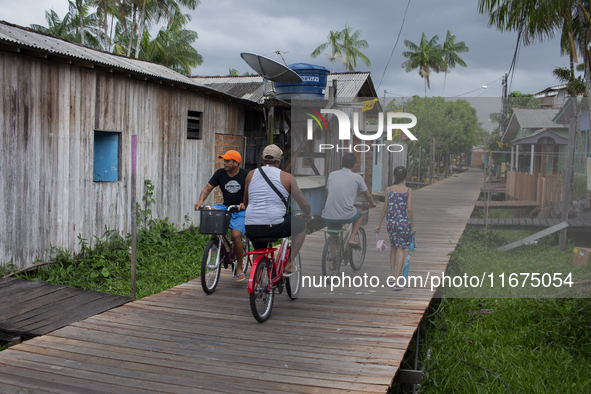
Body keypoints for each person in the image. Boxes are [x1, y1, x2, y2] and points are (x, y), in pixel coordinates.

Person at [243, 145, 312, 276]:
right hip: (274, 226)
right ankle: (289, 264)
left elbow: (246, 203)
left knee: (258, 248)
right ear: (279, 160)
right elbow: (303, 203)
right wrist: (308, 213)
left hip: (251, 226)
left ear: (262, 158)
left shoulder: (250, 175)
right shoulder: (287, 177)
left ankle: (258, 276)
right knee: (301, 226)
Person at [195, 150, 248, 281]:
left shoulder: (246, 175)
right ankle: (216, 242)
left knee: (236, 235)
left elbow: (254, 192)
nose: (224, 163)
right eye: (224, 160)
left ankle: (240, 267)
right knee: (210, 210)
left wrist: (246, 203)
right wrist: (201, 200)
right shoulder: (220, 174)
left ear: (236, 163)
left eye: (227, 160)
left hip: (242, 210)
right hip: (227, 207)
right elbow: (207, 189)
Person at [321, 152, 376, 249]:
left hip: (328, 214)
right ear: (355, 165)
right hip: (346, 214)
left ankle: (332, 263)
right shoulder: (357, 177)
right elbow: (368, 197)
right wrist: (372, 204)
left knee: (333, 233)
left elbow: (331, 192)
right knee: (360, 213)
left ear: (341, 163)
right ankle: (352, 238)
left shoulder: (332, 175)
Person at [375, 166, 416, 290]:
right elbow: (409, 209)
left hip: (391, 223)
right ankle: (398, 281)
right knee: (401, 249)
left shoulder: (388, 189)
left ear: (394, 176)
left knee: (393, 246)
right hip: (403, 223)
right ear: (405, 177)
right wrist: (412, 225)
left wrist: (379, 224)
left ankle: (392, 276)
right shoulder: (408, 190)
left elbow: (385, 208)